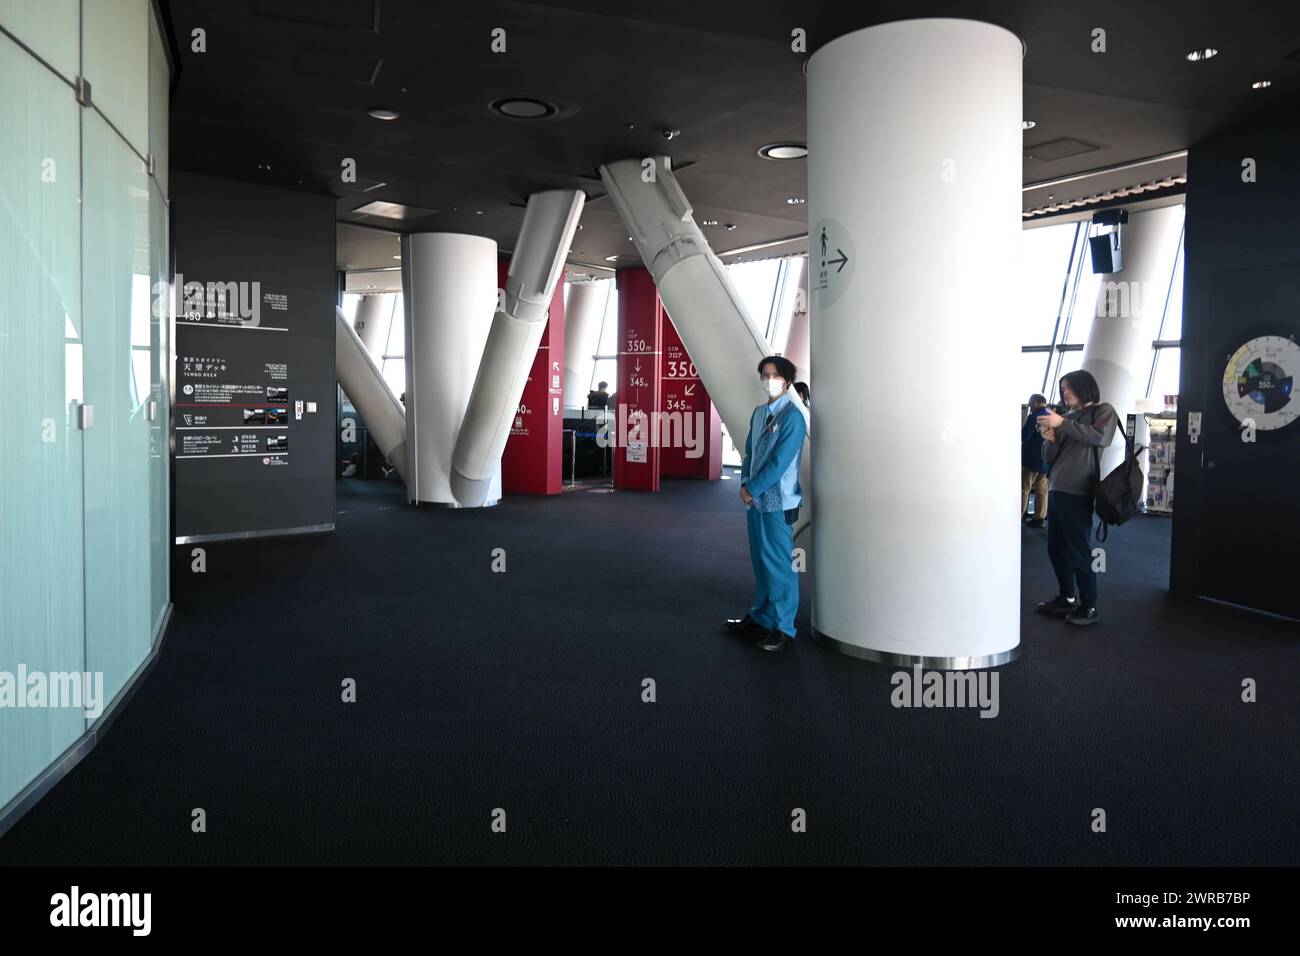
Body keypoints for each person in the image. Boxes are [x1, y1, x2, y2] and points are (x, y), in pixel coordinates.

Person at [723, 356, 807, 651]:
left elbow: (779, 463)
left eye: (775, 375)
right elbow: (749, 453)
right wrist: (745, 483)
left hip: (778, 502)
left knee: (780, 565)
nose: (769, 379)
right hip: (755, 500)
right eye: (765, 374)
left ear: (786, 381)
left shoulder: (793, 417)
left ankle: (784, 627)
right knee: (761, 561)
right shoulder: (759, 414)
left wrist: (753, 487)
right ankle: (762, 617)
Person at [1037, 369, 1118, 626]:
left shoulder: (1103, 411)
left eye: (1069, 387)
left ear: (1085, 387)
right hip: (1057, 489)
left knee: (1079, 550)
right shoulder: (1066, 418)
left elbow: (1100, 437)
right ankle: (1067, 597)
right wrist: (1049, 440)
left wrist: (1062, 424)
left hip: (1079, 492)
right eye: (1063, 389)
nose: (1065, 393)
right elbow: (1048, 459)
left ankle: (1089, 604)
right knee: (1056, 548)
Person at [1020, 393, 1050, 527]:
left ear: (1037, 403)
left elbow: (1024, 436)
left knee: (1024, 488)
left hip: (1031, 460)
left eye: (1031, 402)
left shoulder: (1033, 417)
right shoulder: (1052, 416)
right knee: (1042, 490)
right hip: (1046, 461)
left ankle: (1019, 514)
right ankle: (1039, 518)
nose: (1029, 405)